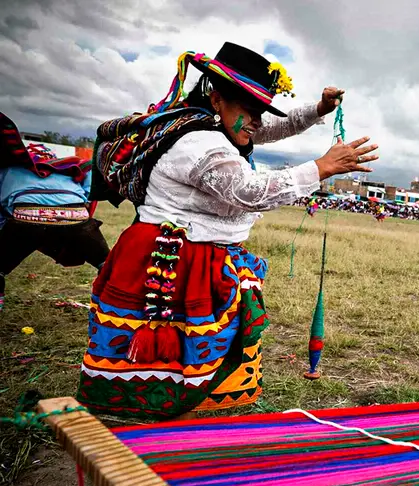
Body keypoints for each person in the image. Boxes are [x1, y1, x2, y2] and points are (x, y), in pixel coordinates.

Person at [78, 42, 378, 418]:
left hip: (195, 256)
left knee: (192, 351)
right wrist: (321, 167)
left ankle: (173, 410)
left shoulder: (215, 124)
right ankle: (138, 420)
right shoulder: (198, 141)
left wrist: (318, 109)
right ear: (217, 99)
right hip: (169, 259)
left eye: (260, 111)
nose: (256, 122)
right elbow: (247, 192)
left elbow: (272, 126)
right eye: (249, 110)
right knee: (160, 349)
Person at [0, 115, 110, 312]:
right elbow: (90, 194)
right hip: (76, 218)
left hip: (25, 219)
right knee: (107, 266)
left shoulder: (9, 168)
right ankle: (116, 306)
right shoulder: (71, 167)